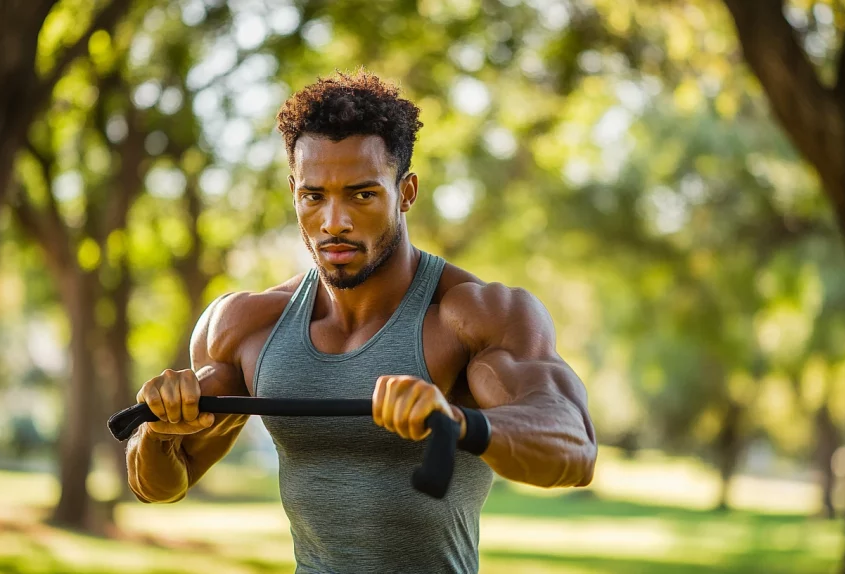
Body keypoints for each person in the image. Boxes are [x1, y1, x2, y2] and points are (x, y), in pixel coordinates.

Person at [125, 70, 598, 574]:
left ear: (406, 191)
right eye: (314, 196)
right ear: (293, 192)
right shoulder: (247, 324)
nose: (334, 222)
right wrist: (159, 431)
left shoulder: (472, 314)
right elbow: (161, 485)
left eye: (362, 194)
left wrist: (459, 423)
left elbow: (573, 446)